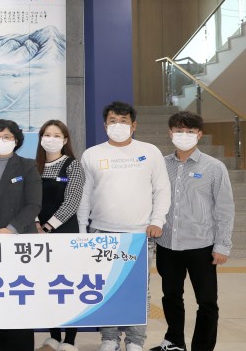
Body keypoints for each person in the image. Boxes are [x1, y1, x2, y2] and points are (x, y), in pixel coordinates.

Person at [77, 101, 171, 351]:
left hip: (139, 234)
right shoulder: (92, 154)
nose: (118, 125)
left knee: (138, 290)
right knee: (106, 287)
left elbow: (162, 189)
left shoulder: (150, 152)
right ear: (104, 125)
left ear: (134, 125)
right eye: (113, 121)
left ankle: (135, 341)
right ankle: (109, 338)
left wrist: (157, 220)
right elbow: (84, 195)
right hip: (101, 232)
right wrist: (83, 230)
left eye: (123, 121)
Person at [149, 111, 234, 351]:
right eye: (179, 130)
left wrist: (222, 245)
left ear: (199, 134)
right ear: (170, 133)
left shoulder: (214, 167)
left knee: (207, 301)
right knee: (171, 296)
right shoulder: (160, 165)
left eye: (189, 131)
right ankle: (174, 342)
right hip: (168, 243)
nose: (183, 135)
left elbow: (225, 209)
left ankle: (202, 347)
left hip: (201, 245)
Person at [0, 119, 42, 351]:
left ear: (16, 140)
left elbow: (34, 204)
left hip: (19, 242)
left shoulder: (28, 166)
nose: (0, 140)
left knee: (18, 295)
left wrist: (11, 229)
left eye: (6, 136)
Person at [34, 119, 84, 351]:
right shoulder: (33, 166)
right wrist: (36, 224)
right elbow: (30, 199)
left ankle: (70, 340)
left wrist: (48, 227)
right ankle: (53, 336)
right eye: (47, 135)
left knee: (68, 286)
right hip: (38, 234)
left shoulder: (73, 165)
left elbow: (72, 202)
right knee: (47, 285)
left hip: (64, 232)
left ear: (65, 140)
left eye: (56, 136)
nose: (51, 139)